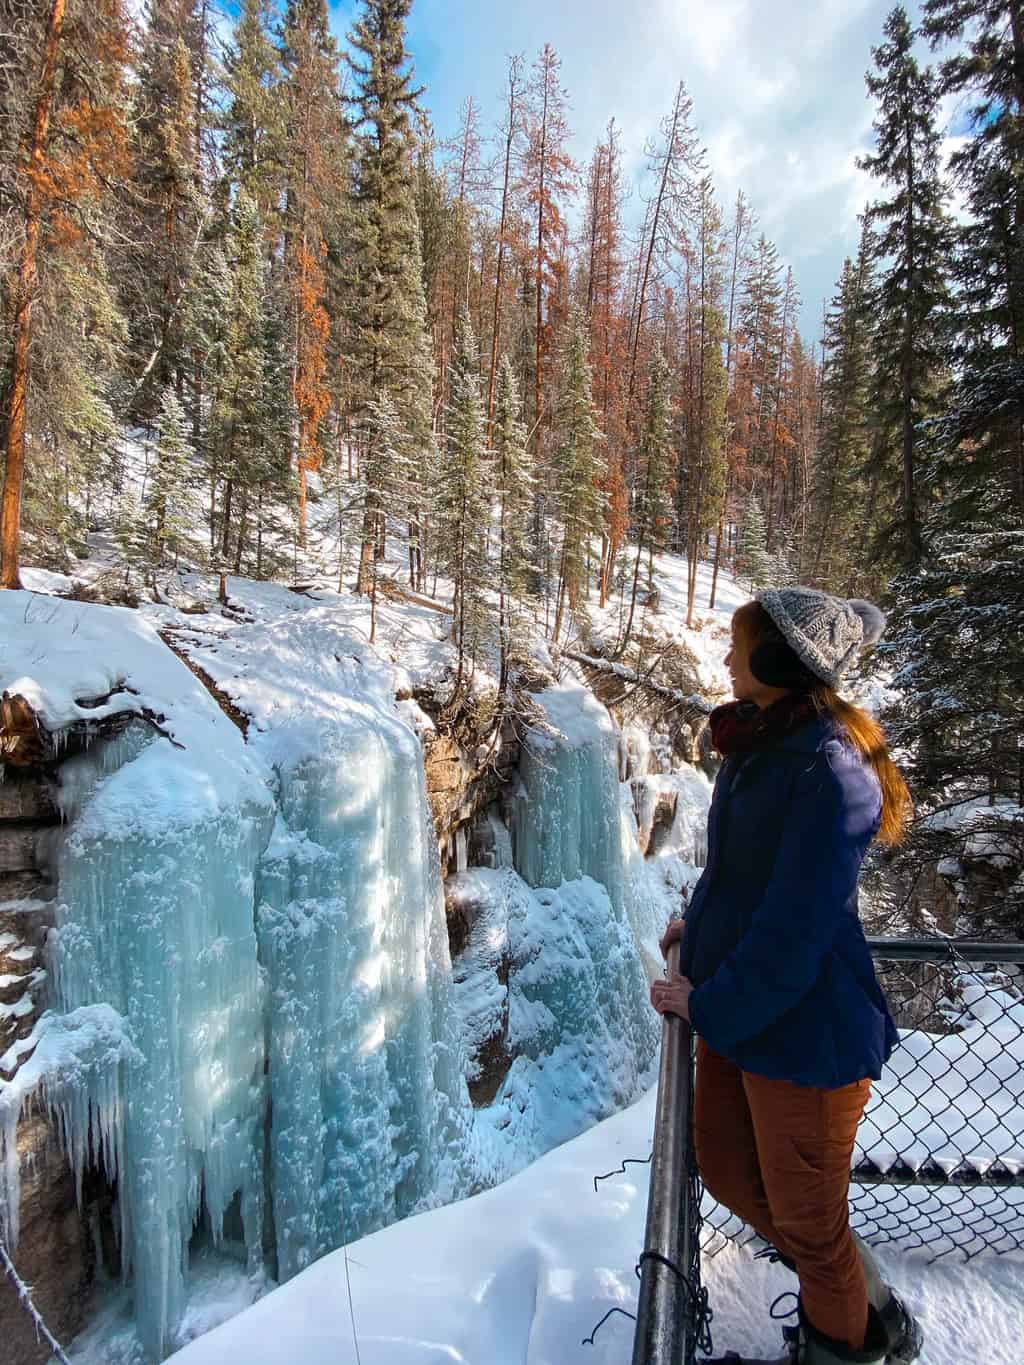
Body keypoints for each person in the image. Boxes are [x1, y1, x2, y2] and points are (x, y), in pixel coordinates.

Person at [650, 587, 923, 1365]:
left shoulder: (832, 769)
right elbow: (739, 879)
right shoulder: (763, 739)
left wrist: (706, 1001)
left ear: (781, 660)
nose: (728, 657)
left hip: (807, 1033)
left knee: (808, 1219)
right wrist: (695, 935)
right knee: (732, 1170)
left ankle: (850, 1338)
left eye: (741, 645)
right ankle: (853, 1287)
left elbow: (795, 928)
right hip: (745, 1009)